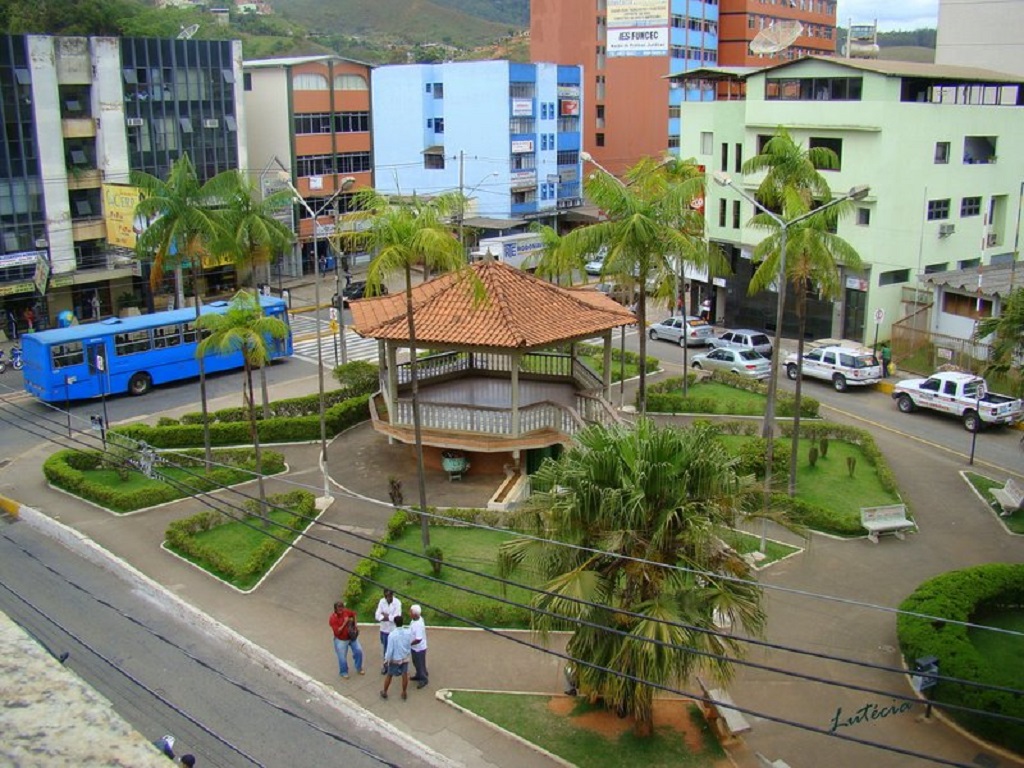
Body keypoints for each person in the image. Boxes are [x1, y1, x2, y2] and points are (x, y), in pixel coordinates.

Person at [329, 600, 364, 678]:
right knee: (342, 657)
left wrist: (355, 625)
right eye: (339, 608)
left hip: (352, 637)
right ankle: (343, 672)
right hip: (341, 640)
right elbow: (337, 632)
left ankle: (359, 668)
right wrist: (345, 623)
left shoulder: (346, 612)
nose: (341, 610)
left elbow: (354, 614)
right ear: (335, 609)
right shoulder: (333, 618)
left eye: (342, 607)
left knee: (359, 651)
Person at [380, 615, 412, 700]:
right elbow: (409, 644)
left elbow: (390, 650)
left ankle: (385, 691)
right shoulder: (407, 632)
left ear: (394, 623)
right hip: (404, 657)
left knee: (389, 675)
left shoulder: (392, 635)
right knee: (404, 674)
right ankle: (404, 692)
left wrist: (386, 660)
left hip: (395, 659)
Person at [374, 589, 402, 674]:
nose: (387, 598)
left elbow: (397, 617)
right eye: (386, 596)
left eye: (389, 596)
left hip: (393, 631)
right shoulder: (382, 601)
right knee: (386, 650)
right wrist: (390, 617)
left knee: (396, 649)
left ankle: (398, 667)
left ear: (392, 595)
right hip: (384, 630)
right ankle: (386, 666)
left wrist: (386, 616)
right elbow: (377, 616)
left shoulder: (397, 603)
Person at [408, 604, 429, 690]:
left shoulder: (418, 625)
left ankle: (423, 679)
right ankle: (419, 674)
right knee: (416, 662)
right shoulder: (415, 620)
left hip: (419, 648)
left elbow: (418, 639)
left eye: (410, 611)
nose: (409, 613)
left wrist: (409, 644)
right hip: (415, 648)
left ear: (415, 614)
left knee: (419, 663)